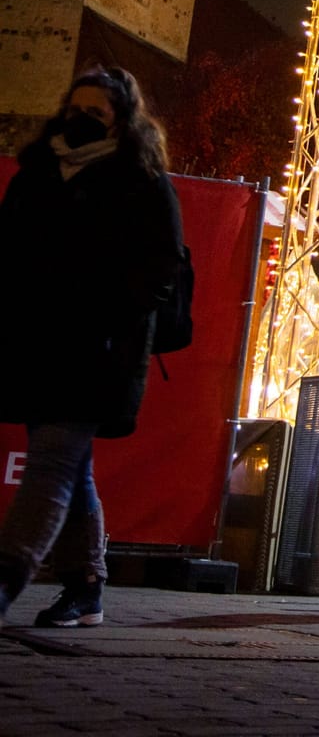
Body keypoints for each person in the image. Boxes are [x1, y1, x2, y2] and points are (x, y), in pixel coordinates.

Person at [0, 68, 183, 628]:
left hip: (98, 352)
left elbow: (162, 266)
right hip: (36, 345)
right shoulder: (36, 172)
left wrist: (111, 313)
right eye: (74, 108)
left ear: (121, 121)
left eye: (96, 114)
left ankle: (6, 579)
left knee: (52, 463)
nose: (80, 120)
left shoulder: (140, 179)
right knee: (70, 467)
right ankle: (86, 586)